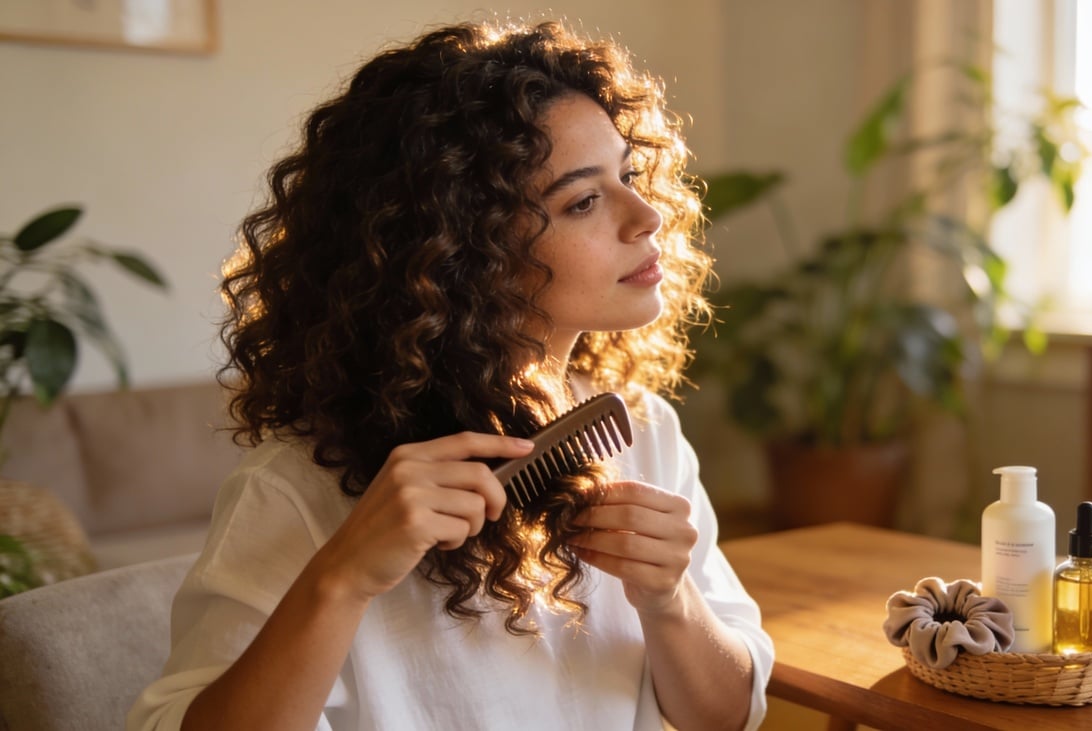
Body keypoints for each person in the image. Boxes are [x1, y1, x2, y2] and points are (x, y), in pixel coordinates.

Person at [127, 18, 774, 731]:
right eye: (583, 200)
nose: (647, 214)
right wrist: (341, 581)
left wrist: (669, 598)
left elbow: (729, 715)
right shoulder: (298, 490)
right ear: (461, 254)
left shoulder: (642, 431)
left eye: (627, 175)